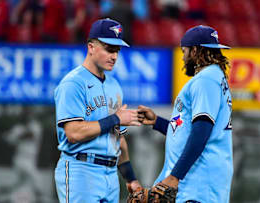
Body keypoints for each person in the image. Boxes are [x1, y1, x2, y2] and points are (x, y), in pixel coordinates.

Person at [138, 25, 233, 202]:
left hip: (198, 182)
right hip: (199, 182)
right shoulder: (213, 77)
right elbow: (188, 131)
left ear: (195, 51)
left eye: (185, 51)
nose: (183, 57)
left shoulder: (205, 80)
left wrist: (175, 177)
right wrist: (157, 122)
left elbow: (200, 133)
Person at [54, 18, 142, 203]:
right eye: (109, 49)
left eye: (117, 51)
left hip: (110, 173)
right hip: (81, 169)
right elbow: (73, 133)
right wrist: (115, 119)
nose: (114, 56)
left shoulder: (115, 86)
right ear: (91, 47)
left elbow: (118, 138)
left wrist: (130, 178)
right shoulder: (73, 83)